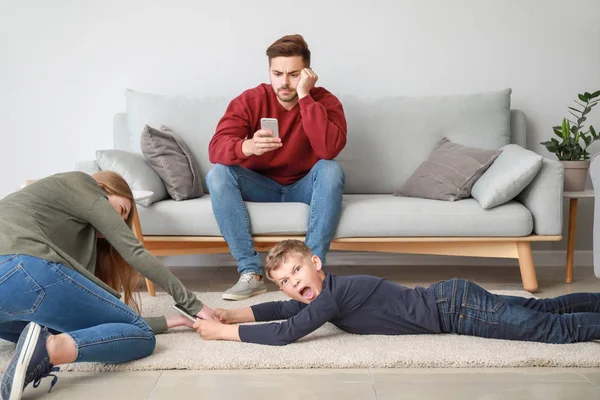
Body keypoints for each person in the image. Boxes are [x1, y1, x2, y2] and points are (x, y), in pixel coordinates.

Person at [0, 171, 215, 400]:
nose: (120, 222)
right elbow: (135, 251)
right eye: (122, 210)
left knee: (72, 330)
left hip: (11, 294)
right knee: (142, 337)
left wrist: (170, 321)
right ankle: (50, 350)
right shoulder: (83, 184)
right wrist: (193, 305)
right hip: (21, 269)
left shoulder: (49, 211)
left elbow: (99, 323)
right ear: (105, 188)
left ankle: (39, 347)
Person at [191, 239, 600, 346]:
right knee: (544, 309)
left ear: (316, 264)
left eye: (297, 270)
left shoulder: (333, 295)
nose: (292, 284)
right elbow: (282, 310)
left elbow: (286, 332)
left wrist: (221, 334)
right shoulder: (325, 295)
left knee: (551, 330)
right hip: (451, 297)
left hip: (454, 310)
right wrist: (233, 315)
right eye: (284, 280)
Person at [206, 34, 347, 301]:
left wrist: (305, 97)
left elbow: (329, 150)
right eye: (277, 73)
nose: (284, 82)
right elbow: (216, 149)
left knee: (330, 168)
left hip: (304, 185)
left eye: (294, 74)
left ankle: (312, 269)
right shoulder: (249, 100)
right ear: (269, 71)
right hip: (260, 185)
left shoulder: (324, 102)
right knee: (218, 174)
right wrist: (246, 147)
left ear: (307, 73)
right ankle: (251, 273)